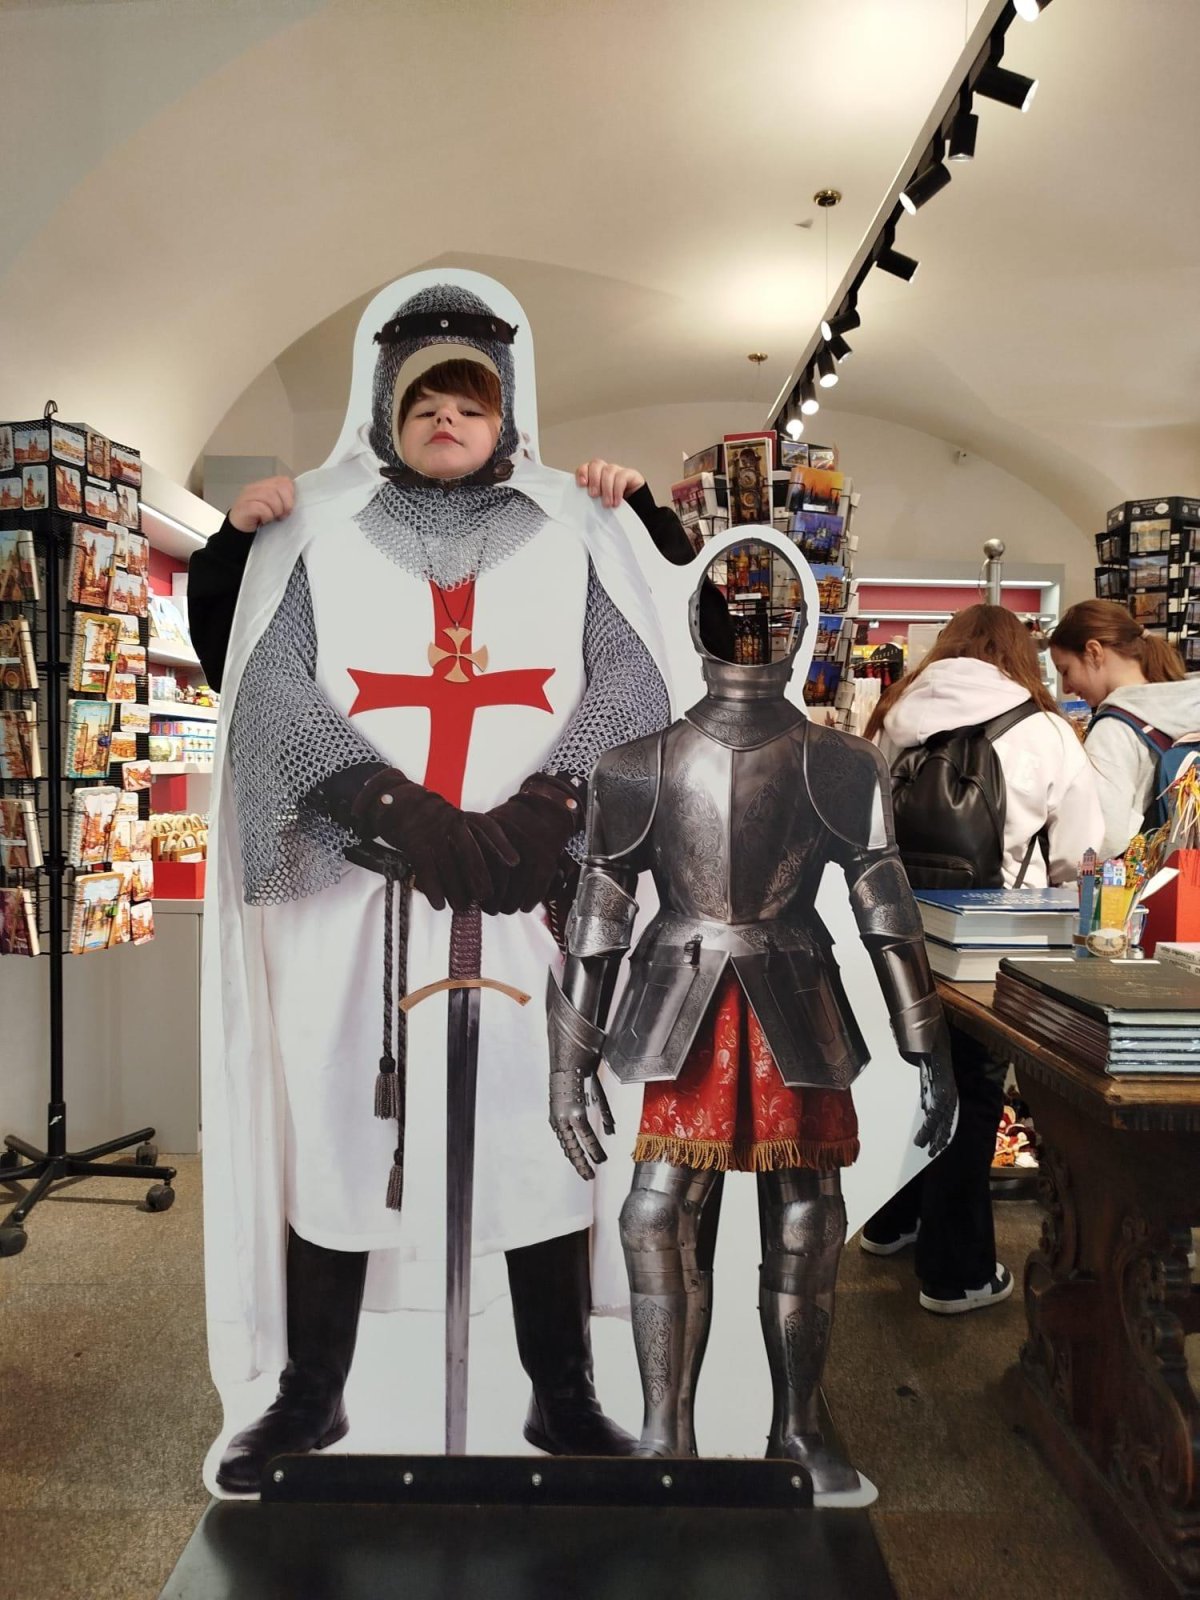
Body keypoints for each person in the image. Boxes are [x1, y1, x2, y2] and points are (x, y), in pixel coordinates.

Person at [194, 275, 692, 1493]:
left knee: (539, 1124)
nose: (447, 419)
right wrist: (388, 804)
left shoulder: (574, 533)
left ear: (506, 411)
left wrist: (549, 810)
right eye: (424, 402)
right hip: (353, 891)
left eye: (469, 401)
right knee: (335, 1120)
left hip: (526, 888)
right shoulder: (316, 536)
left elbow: (641, 673)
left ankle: (563, 1397)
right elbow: (261, 683)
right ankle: (310, 1395)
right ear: (385, 410)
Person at [546, 541, 956, 1496]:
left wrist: (927, 1045)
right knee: (658, 1215)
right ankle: (664, 1435)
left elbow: (886, 910)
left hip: (790, 996)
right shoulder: (636, 765)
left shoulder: (841, 762)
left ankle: (797, 1428)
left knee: (805, 1215)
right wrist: (567, 1064)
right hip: (690, 994)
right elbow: (595, 921)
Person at [859, 604, 1103, 1313]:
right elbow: (1079, 853)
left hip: (897, 928)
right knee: (973, 1087)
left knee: (910, 1074)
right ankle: (955, 1271)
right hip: (992, 941)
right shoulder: (1047, 731)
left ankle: (890, 1222)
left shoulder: (894, 717)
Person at [1049, 599, 1200, 860]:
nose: (1066, 687)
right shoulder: (1186, 703)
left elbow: (1102, 840)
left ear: (1094, 652)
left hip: (1155, 880)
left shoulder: (1114, 730)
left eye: (1066, 670)